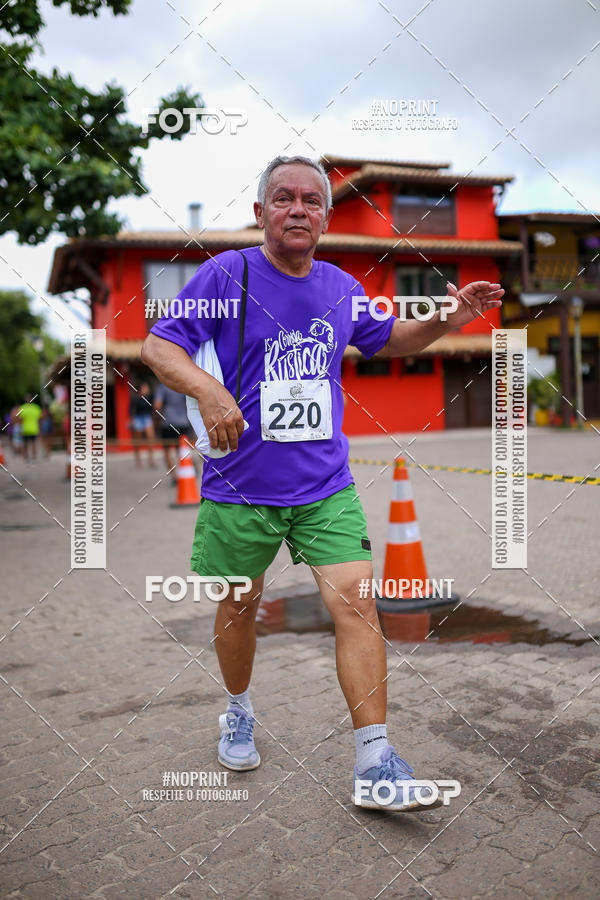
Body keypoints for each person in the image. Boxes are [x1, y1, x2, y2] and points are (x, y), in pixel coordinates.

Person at [141, 155, 504, 811]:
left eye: (312, 200)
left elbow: (392, 339)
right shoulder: (226, 276)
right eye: (284, 198)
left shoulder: (339, 287)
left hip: (324, 487)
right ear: (261, 214)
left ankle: (374, 763)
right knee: (239, 610)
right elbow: (159, 347)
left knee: (359, 607)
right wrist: (210, 389)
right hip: (240, 488)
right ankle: (238, 708)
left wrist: (447, 319)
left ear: (327, 217)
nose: (299, 209)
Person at [153, 382, 194, 472]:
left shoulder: (162, 387)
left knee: (167, 452)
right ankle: (188, 469)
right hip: (183, 423)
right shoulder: (183, 386)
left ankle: (175, 477)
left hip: (167, 423)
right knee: (182, 450)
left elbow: (157, 405)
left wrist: (157, 419)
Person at [129, 382, 156, 468]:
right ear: (140, 390)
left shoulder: (149, 398)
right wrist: (132, 421)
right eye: (145, 388)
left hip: (147, 417)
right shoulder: (135, 399)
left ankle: (151, 460)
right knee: (138, 441)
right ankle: (138, 460)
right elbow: (130, 410)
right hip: (138, 418)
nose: (147, 389)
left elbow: (152, 409)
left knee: (151, 438)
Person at [18, 395, 42, 462]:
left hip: (25, 428)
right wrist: (39, 428)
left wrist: (20, 428)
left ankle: (26, 457)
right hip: (34, 428)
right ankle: (34, 457)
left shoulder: (22, 408)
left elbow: (20, 419)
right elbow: (40, 418)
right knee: (33, 443)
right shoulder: (36, 408)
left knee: (25, 443)